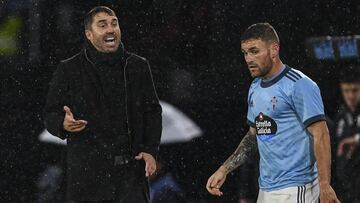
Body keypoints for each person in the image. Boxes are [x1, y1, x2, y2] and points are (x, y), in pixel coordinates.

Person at [206, 22, 340, 203]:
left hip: (297, 188)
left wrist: (325, 185)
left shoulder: (299, 84)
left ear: (274, 50)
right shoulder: (254, 87)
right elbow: (254, 135)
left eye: (254, 51)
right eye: (245, 53)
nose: (248, 59)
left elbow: (321, 134)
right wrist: (224, 169)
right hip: (266, 189)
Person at [43, 6, 162, 203]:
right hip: (88, 180)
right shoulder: (69, 69)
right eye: (103, 25)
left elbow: (153, 111)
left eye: (114, 23)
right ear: (89, 34)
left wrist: (150, 150)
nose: (110, 29)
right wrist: (62, 124)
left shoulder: (138, 66)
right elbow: (50, 114)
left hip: (131, 176)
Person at [334, 67, 360, 202]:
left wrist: (357, 139)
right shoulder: (340, 115)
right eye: (346, 91)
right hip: (345, 186)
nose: (350, 95)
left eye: (355, 90)